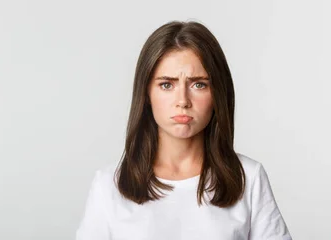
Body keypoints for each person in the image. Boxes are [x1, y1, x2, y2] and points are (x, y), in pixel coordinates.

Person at [75, 20, 292, 240]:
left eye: (199, 84)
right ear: (146, 94)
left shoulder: (248, 177)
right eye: (166, 85)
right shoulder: (109, 184)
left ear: (217, 93)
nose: (183, 101)